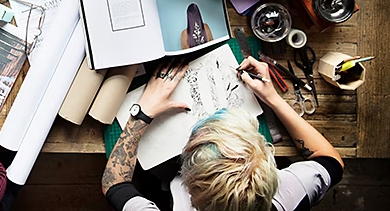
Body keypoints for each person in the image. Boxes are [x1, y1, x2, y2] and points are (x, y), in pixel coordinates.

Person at [102, 57, 344, 211]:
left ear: (191, 189)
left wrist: (141, 114)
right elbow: (331, 160)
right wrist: (273, 99)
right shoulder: (290, 194)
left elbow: (114, 183)